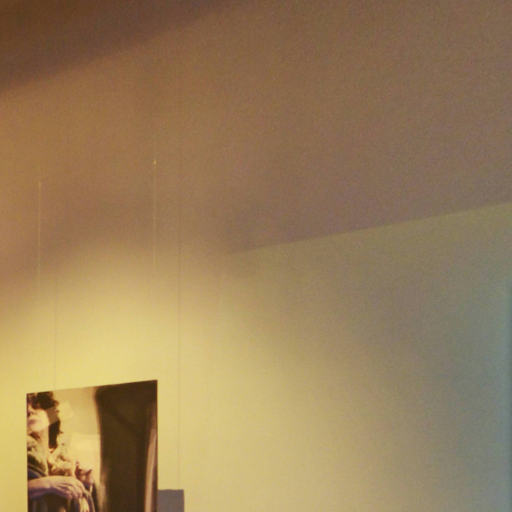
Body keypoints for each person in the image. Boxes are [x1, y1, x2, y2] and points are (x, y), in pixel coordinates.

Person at [27, 392, 97, 512]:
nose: (29, 411)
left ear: (49, 417)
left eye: (35, 406)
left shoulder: (63, 456)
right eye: (25, 410)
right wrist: (48, 484)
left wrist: (85, 485)